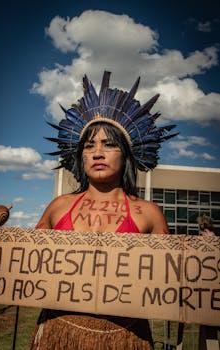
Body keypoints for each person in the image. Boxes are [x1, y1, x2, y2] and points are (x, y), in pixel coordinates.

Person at [30, 71, 178, 350]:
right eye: (90, 146)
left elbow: (168, 281)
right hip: (57, 331)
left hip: (124, 336)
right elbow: (28, 267)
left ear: (126, 154)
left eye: (109, 145)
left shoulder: (148, 213)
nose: (97, 153)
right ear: (81, 155)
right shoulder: (58, 206)